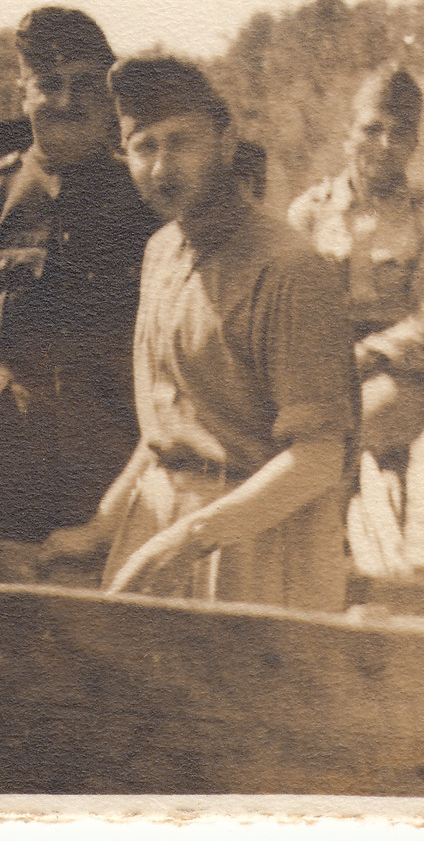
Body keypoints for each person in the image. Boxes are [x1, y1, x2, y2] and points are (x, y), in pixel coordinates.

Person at [44, 57, 358, 614]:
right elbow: (167, 428)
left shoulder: (290, 268)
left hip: (257, 545)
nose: (163, 167)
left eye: (182, 142)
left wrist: (192, 537)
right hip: (158, 527)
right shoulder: (161, 251)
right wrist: (102, 526)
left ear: (226, 140)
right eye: (144, 146)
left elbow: (317, 457)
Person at [0, 7, 161, 550]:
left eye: (86, 85)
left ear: (110, 98)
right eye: (48, 85)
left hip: (112, 481)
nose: (66, 101)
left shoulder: (149, 201)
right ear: (23, 93)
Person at [287, 64, 424, 567]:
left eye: (400, 133)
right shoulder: (309, 213)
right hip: (317, 370)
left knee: (347, 429)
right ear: (349, 134)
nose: (384, 143)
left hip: (396, 376)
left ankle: (336, 560)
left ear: (415, 143)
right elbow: (285, 305)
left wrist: (369, 352)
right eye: (372, 129)